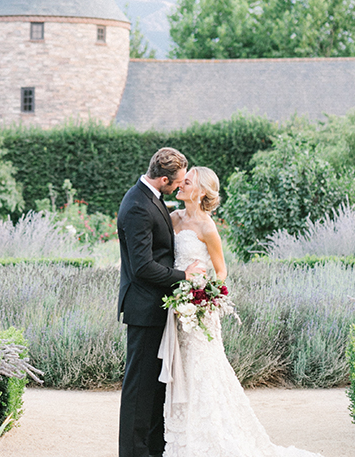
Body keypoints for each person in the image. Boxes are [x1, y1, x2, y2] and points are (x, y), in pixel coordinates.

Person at [161, 166, 324, 457]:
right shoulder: (172, 219)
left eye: (187, 182)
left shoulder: (207, 228)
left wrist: (204, 296)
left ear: (201, 192)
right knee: (181, 371)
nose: (180, 185)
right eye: (181, 182)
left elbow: (221, 271)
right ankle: (184, 439)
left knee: (204, 371)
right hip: (176, 307)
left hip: (199, 311)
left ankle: (210, 440)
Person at [118, 147, 203, 457]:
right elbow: (142, 267)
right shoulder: (138, 205)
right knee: (138, 390)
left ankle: (153, 450)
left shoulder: (151, 197)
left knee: (154, 389)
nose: (180, 186)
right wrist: (184, 275)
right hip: (143, 309)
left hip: (157, 308)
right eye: (177, 181)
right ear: (164, 178)